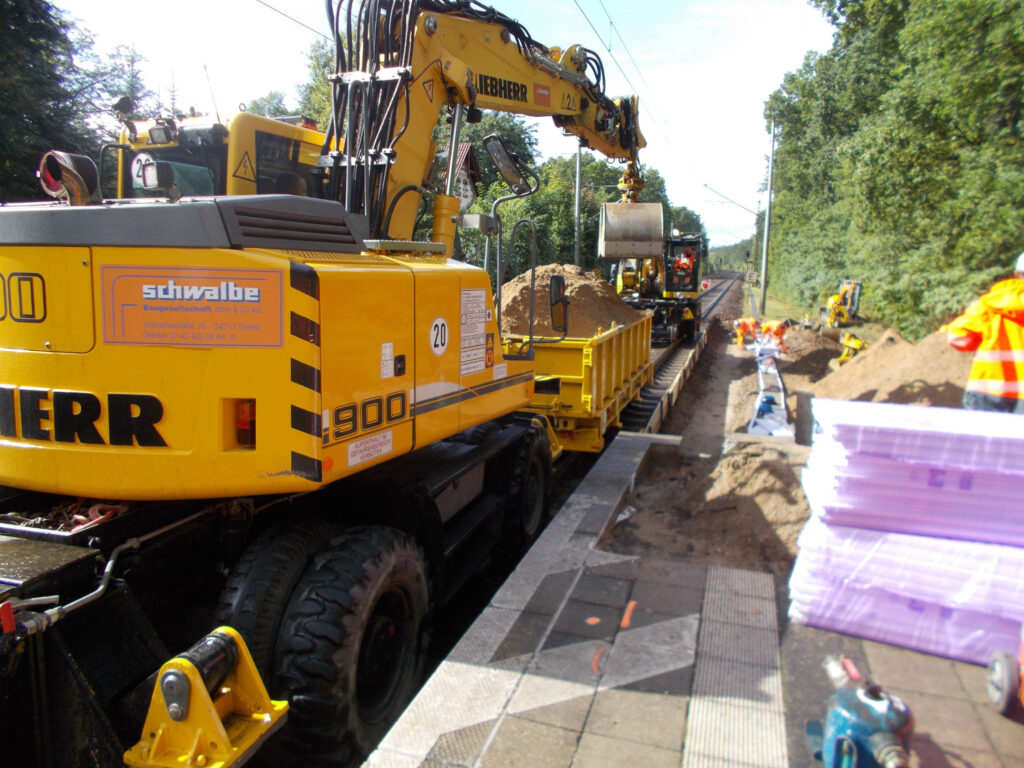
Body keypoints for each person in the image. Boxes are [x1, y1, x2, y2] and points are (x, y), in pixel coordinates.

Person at [946, 252, 1024, 413]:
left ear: (1017, 274)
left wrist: (980, 341)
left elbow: (956, 337)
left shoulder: (988, 304)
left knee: (982, 438)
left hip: (985, 390)